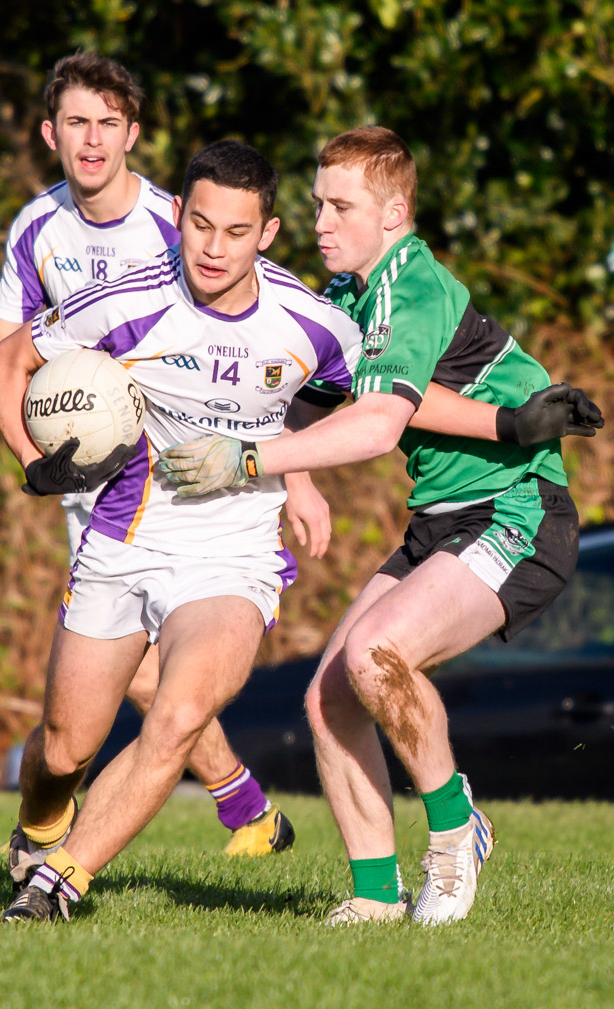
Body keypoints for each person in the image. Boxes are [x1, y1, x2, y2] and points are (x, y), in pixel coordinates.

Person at [157, 126, 603, 926]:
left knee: (375, 654)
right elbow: (320, 397)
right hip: (441, 519)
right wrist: (296, 478)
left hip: (516, 509)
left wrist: (252, 462)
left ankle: (453, 827)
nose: (320, 221)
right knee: (329, 696)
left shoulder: (411, 287)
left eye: (340, 206)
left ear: (392, 211)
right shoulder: (350, 298)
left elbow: (375, 424)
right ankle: (371, 894)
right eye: (317, 202)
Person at [0, 140, 372, 923]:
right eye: (199, 225)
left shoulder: (313, 322)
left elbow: (369, 402)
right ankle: (37, 833)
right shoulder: (124, 301)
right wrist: (31, 460)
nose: (213, 247)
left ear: (268, 232)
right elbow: (3, 364)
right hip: (123, 540)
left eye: (235, 231)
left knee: (180, 710)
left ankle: (60, 883)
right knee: (61, 749)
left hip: (232, 556)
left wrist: (294, 474)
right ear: (179, 218)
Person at [0, 52, 298, 864]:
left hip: (180, 478)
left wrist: (293, 473)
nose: (90, 141)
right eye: (74, 123)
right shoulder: (37, 226)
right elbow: (4, 339)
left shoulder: (181, 222)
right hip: (84, 475)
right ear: (48, 132)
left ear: (132, 133)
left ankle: (238, 805)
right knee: (118, 679)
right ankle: (238, 806)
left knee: (149, 674)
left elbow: (268, 347)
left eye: (106, 123)